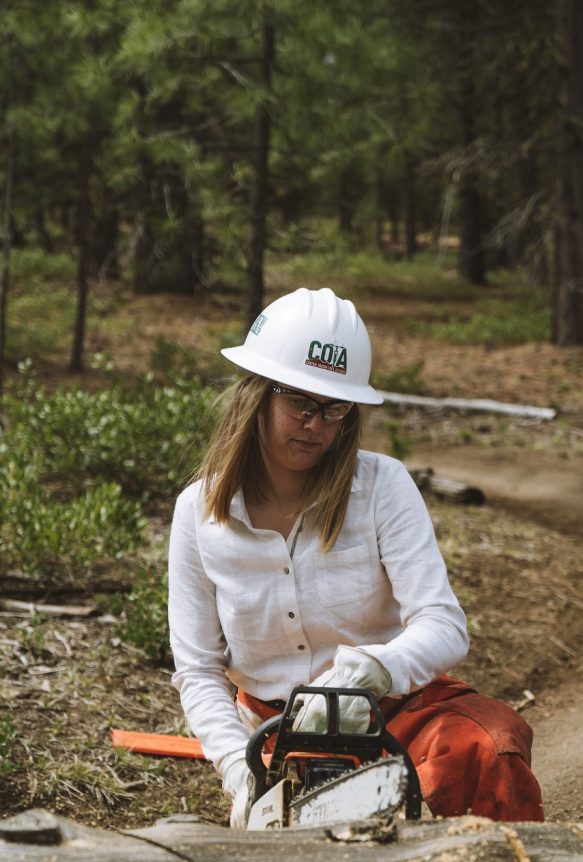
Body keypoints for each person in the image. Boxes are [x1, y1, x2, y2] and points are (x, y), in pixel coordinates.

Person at [168, 286, 544, 827]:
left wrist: (373, 669)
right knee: (309, 827)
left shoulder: (383, 486)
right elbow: (199, 670)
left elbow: (443, 624)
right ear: (256, 393)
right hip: (278, 733)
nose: (316, 424)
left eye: (334, 407)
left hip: (394, 710)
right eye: (299, 401)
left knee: (489, 747)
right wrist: (238, 770)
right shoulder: (198, 513)